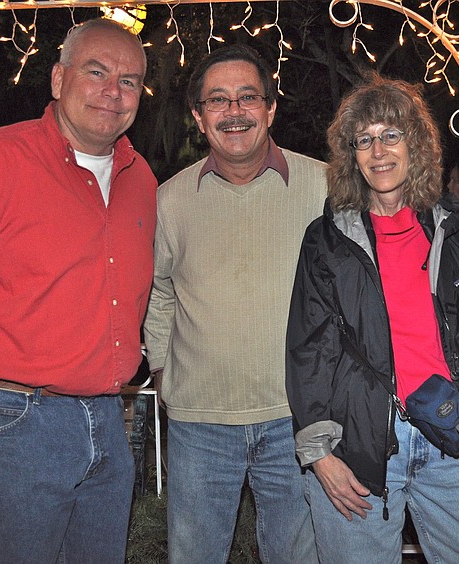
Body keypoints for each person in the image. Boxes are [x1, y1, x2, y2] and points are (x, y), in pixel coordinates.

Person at [0, 18, 155, 563]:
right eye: (97, 71)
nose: (114, 91)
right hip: (9, 420)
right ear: (58, 80)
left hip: (108, 419)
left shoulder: (141, 181)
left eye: (130, 80)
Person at [285, 74, 459, 563]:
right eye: (365, 140)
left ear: (414, 144)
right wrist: (319, 454)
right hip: (360, 447)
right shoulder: (327, 240)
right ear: (351, 154)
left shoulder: (454, 231)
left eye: (391, 135)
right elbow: (310, 348)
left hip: (450, 443)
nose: (379, 151)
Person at [142, 44, 326, 564]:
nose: (235, 111)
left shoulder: (324, 187)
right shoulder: (170, 199)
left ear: (270, 109)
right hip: (199, 421)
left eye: (248, 97)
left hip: (298, 416)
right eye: (218, 100)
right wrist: (162, 369)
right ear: (199, 117)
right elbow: (159, 292)